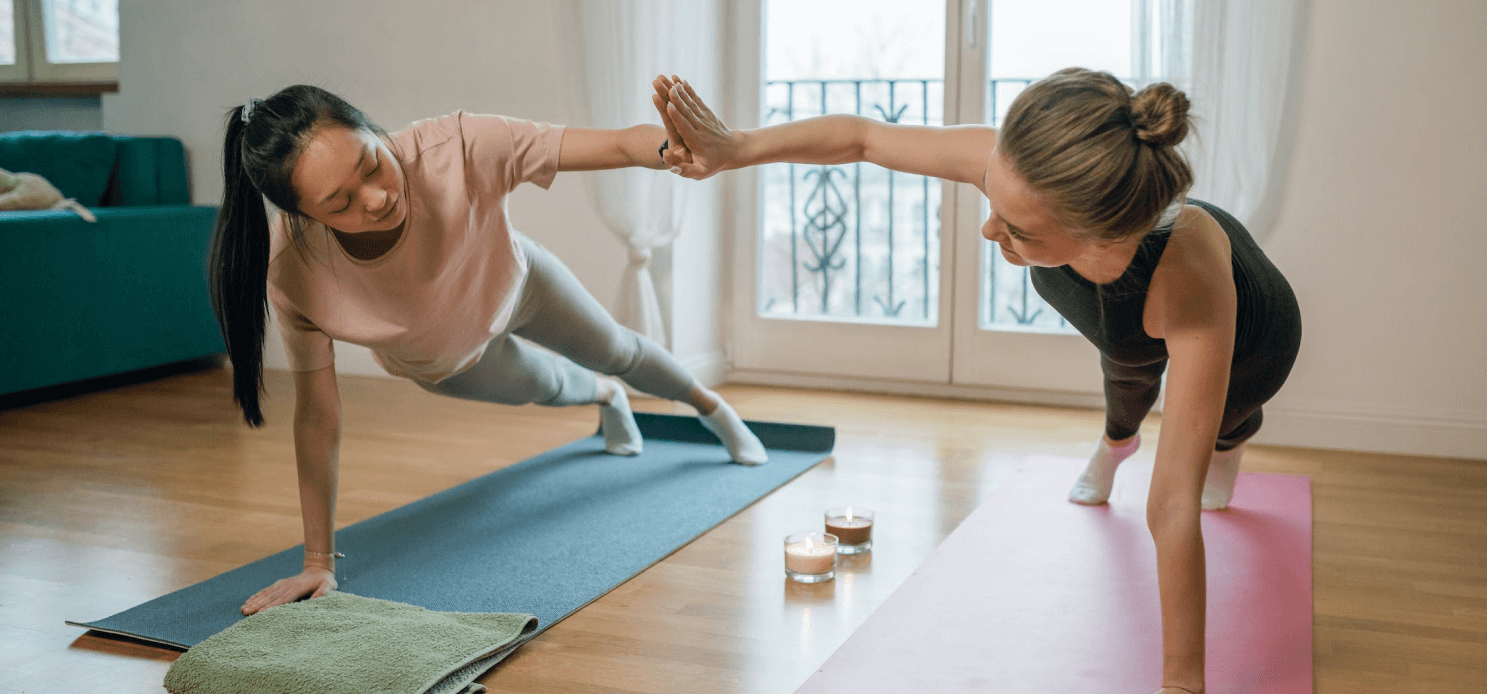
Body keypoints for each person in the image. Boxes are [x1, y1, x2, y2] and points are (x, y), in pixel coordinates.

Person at [651, 68, 1301, 694]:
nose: (988, 228)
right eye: (994, 201)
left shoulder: (1187, 280)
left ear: (1096, 235)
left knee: (1223, 422)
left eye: (1015, 230)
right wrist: (734, 149)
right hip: (1121, 307)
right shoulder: (1019, 171)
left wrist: (1181, 684)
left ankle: (1233, 438)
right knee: (1125, 365)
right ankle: (1115, 439)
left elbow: (1168, 504)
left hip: (1256, 338)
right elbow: (863, 136)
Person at [211, 84, 769, 617]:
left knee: (617, 348)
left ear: (372, 129)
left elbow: (616, 142)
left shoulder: (452, 146)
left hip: (519, 282)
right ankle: (606, 399)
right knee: (548, 386)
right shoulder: (296, 271)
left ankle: (712, 408)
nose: (378, 198)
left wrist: (675, 146)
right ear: (305, 217)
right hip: (449, 359)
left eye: (372, 164)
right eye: (341, 203)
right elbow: (317, 416)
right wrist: (317, 561)